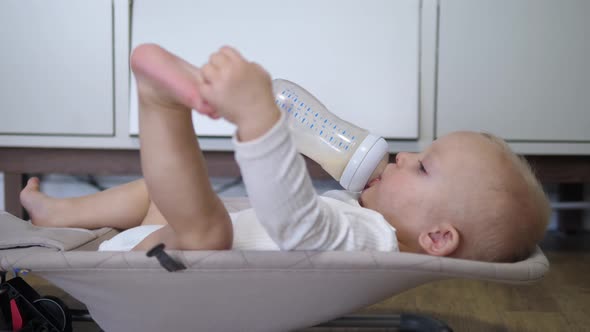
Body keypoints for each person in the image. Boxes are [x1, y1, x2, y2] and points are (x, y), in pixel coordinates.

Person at [19, 44, 550, 262]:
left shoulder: (375, 239)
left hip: (179, 265)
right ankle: (63, 212)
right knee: (175, 197)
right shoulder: (366, 223)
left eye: (424, 166)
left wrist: (261, 124)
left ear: (437, 237)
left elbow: (295, 223)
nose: (406, 156)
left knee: (208, 222)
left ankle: (158, 105)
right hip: (164, 246)